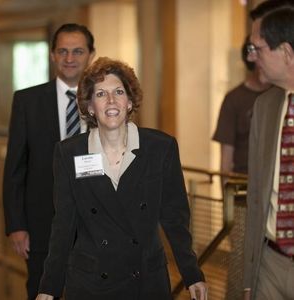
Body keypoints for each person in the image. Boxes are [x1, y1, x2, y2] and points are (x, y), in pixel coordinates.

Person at [36, 57, 207, 300]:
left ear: (129, 102)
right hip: (90, 282)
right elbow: (63, 225)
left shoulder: (160, 148)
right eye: (101, 94)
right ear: (90, 106)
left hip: (145, 281)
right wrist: (48, 288)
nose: (111, 101)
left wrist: (192, 273)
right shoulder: (69, 153)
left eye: (118, 92)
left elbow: (175, 218)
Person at [3, 23, 96, 299]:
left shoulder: (104, 100)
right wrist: (16, 225)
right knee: (42, 291)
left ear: (91, 54)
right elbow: (15, 170)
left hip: (96, 225)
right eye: (63, 51)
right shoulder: (27, 101)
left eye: (78, 51)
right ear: (53, 55)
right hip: (43, 225)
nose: (70, 58)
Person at [243, 2, 294, 300]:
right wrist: (249, 279)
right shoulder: (264, 107)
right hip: (270, 263)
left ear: (286, 52)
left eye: (258, 49)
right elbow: (256, 197)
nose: (252, 58)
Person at [212, 36, 271, 178]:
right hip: (243, 182)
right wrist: (226, 198)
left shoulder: (282, 94)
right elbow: (226, 160)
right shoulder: (233, 99)